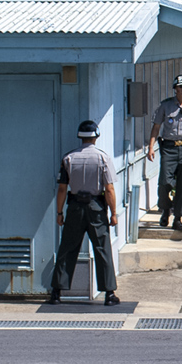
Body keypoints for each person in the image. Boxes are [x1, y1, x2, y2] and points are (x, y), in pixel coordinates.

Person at [48, 120, 120, 307]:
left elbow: (62, 189)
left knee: (67, 248)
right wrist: (113, 213)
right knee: (102, 248)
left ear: (80, 137)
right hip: (96, 207)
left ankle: (56, 292)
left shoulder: (69, 158)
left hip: (74, 207)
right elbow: (109, 188)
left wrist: (59, 212)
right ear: (96, 136)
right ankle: (109, 294)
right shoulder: (103, 158)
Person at [147, 75, 182, 233]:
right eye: (181, 87)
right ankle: (166, 208)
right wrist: (150, 147)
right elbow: (156, 127)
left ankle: (178, 218)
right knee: (165, 181)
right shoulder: (165, 106)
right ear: (175, 89)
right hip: (169, 147)